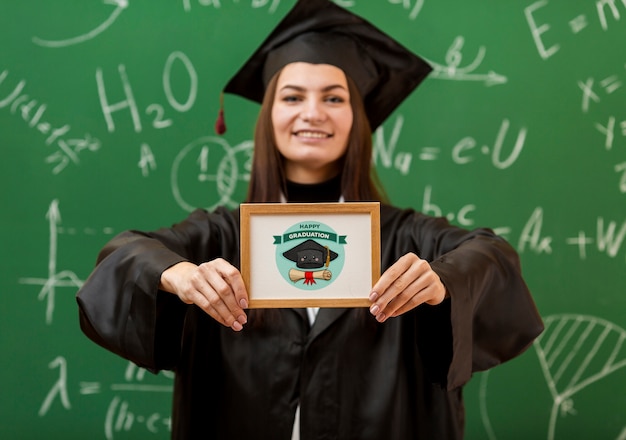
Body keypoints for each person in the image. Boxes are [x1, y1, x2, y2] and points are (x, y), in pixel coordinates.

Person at [76, 0, 544, 438]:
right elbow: (125, 253)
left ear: (357, 117)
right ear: (269, 114)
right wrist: (176, 275)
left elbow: (493, 255)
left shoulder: (405, 238)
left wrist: (442, 281)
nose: (313, 113)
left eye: (335, 98)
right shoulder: (221, 237)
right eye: (293, 97)